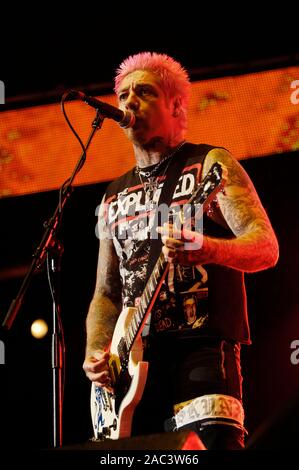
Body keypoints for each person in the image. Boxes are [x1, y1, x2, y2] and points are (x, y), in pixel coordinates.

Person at [82, 52, 279, 450]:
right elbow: (106, 292)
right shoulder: (112, 195)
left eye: (144, 92)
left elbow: (266, 247)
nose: (129, 102)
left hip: (202, 350)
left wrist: (208, 249)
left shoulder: (209, 163)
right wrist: (96, 352)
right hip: (131, 369)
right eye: (122, 95)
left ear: (175, 105)